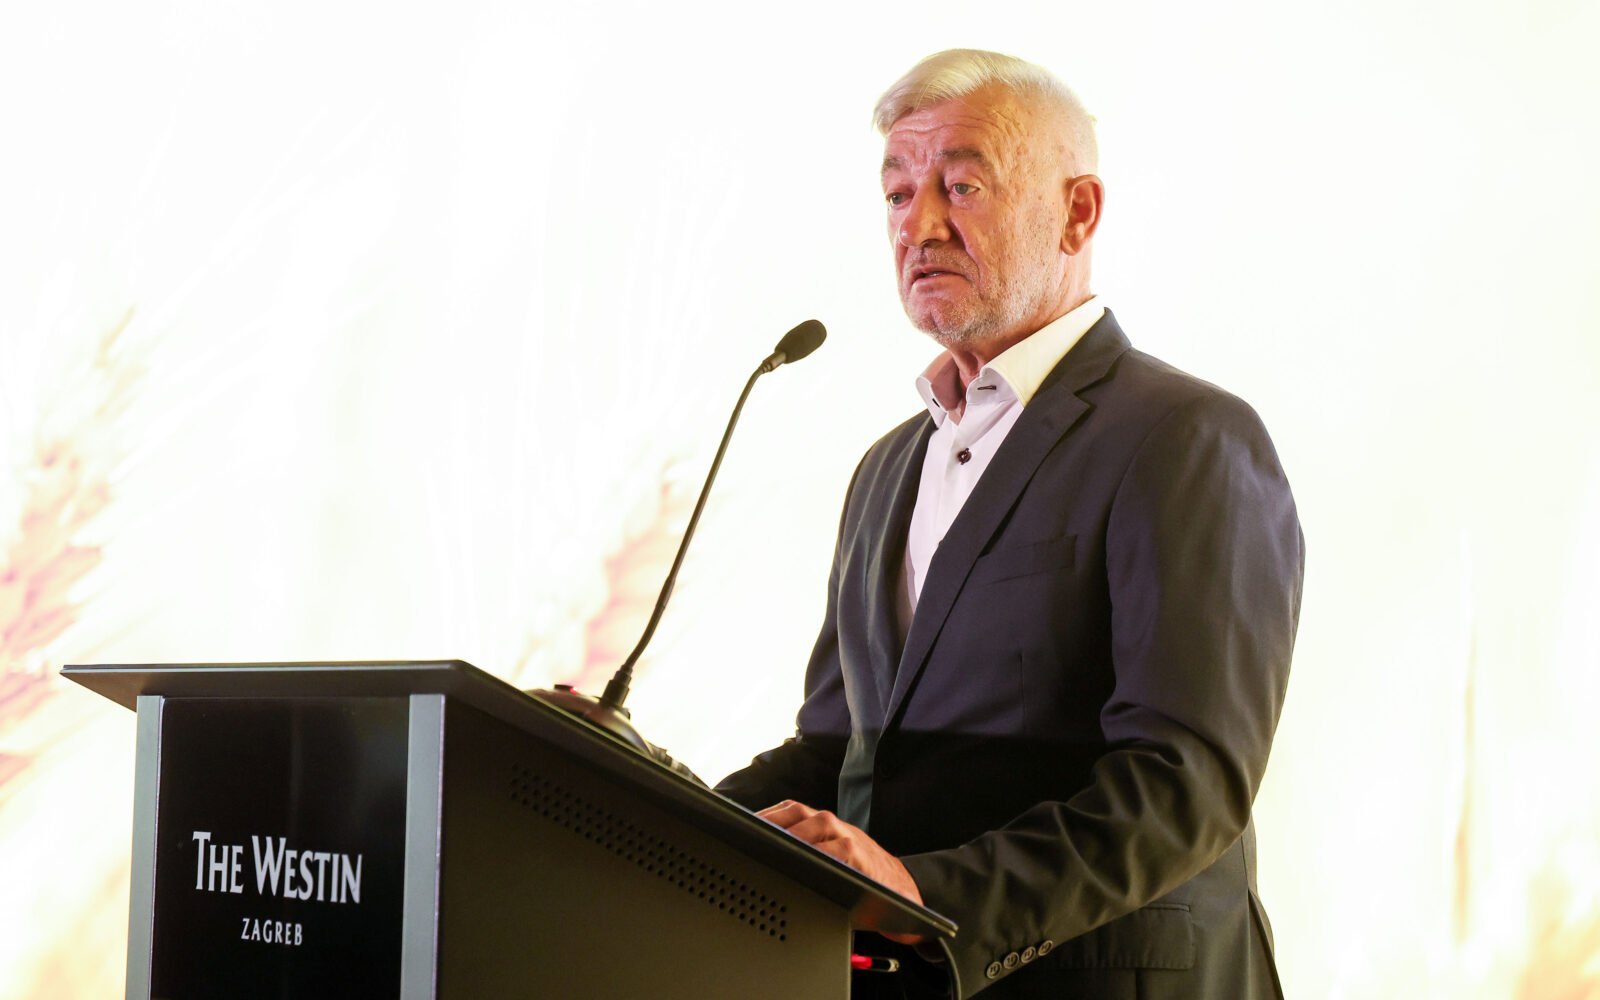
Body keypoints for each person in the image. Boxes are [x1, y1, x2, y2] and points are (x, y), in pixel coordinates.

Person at [716, 48, 1304, 1000]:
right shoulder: (885, 470)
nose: (920, 225)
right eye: (898, 194)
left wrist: (927, 895)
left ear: (1078, 213)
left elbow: (1184, 781)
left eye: (962, 186)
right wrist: (634, 798)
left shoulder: (1185, 437)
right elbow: (838, 753)